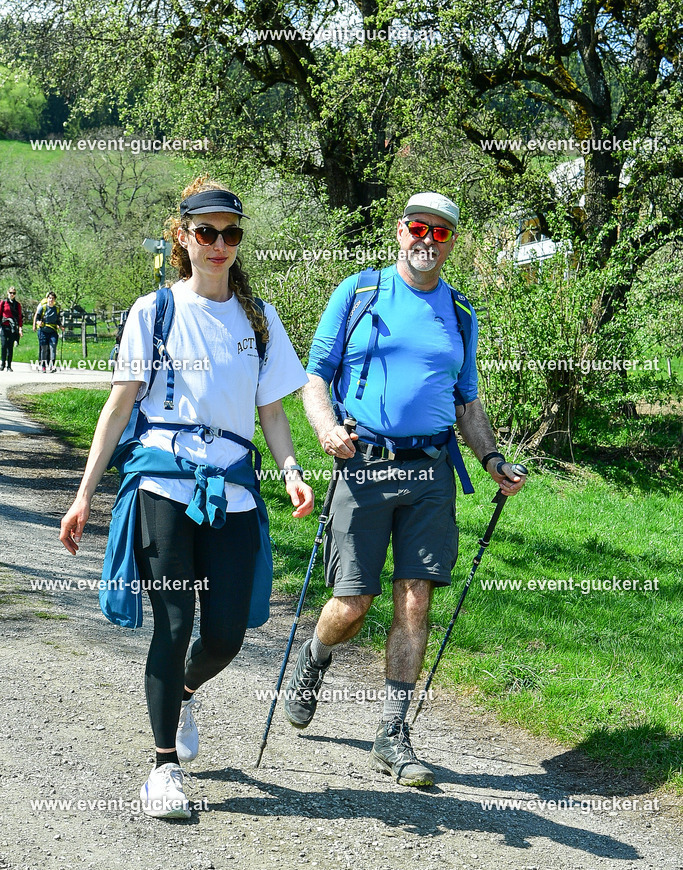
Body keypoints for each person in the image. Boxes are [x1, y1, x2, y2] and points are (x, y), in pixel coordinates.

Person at [60, 176, 314, 819]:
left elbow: (272, 411)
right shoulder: (154, 312)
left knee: (225, 635)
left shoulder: (258, 319)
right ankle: (163, 769)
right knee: (173, 624)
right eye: (207, 232)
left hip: (231, 490)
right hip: (162, 485)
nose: (219, 244)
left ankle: (184, 693)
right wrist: (84, 494)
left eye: (231, 233)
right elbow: (119, 407)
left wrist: (290, 471)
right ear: (184, 237)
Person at [284, 191, 527, 787]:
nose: (427, 240)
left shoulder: (461, 313)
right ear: (400, 231)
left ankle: (392, 733)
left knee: (416, 601)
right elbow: (315, 378)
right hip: (364, 464)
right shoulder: (359, 293)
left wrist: (492, 457)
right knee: (352, 604)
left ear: (451, 243)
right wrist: (326, 429)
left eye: (440, 233)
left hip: (430, 471)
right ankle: (315, 658)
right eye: (419, 228)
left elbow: (467, 402)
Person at [33, 291, 62, 372]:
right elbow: (37, 317)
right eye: (50, 298)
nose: (51, 300)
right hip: (43, 330)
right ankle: (43, 366)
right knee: (44, 349)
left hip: (53, 331)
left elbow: (58, 320)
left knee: (53, 347)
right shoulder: (43, 308)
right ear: (47, 299)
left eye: (52, 299)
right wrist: (37, 322)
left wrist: (60, 326)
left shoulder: (56, 309)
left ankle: (52, 366)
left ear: (54, 300)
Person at [0, 286, 23, 371]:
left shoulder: (17, 305)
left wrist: (20, 328)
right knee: (3, 345)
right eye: (10, 293)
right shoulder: (3, 303)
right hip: (4, 326)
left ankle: (9, 366)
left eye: (14, 293)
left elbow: (19, 317)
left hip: (12, 328)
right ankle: (2, 364)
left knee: (10, 346)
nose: (12, 294)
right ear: (7, 293)